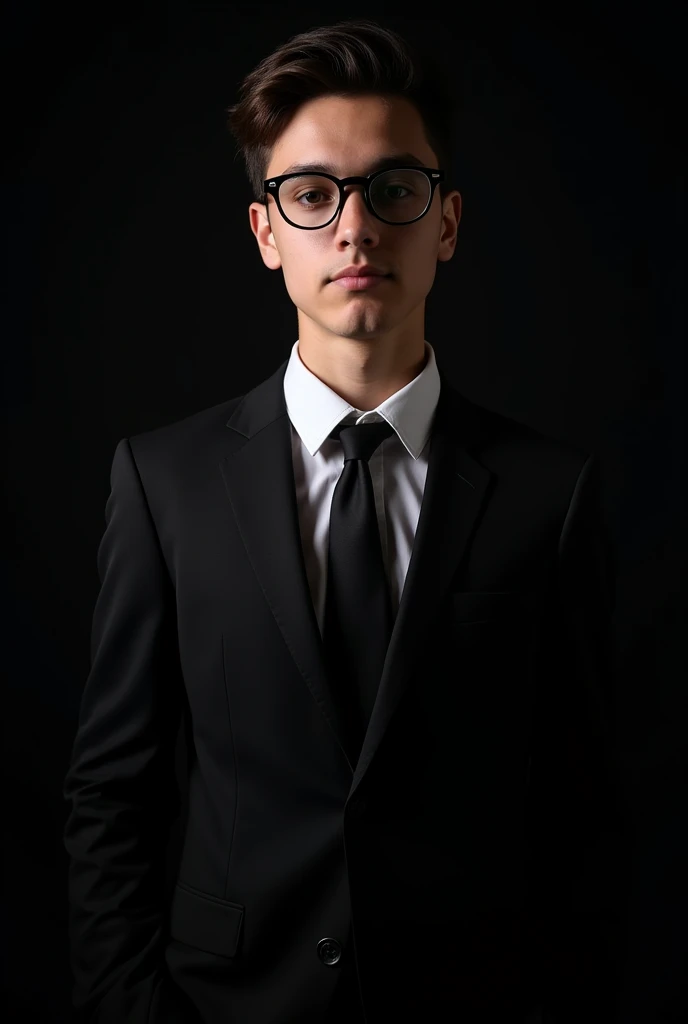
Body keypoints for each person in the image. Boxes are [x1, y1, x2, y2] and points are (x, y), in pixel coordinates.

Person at [62, 17, 624, 1024]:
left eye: (392, 190)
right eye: (312, 195)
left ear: (444, 223)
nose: (355, 228)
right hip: (223, 1002)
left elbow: (585, 806)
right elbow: (115, 789)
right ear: (266, 233)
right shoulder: (165, 481)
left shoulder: (551, 491)